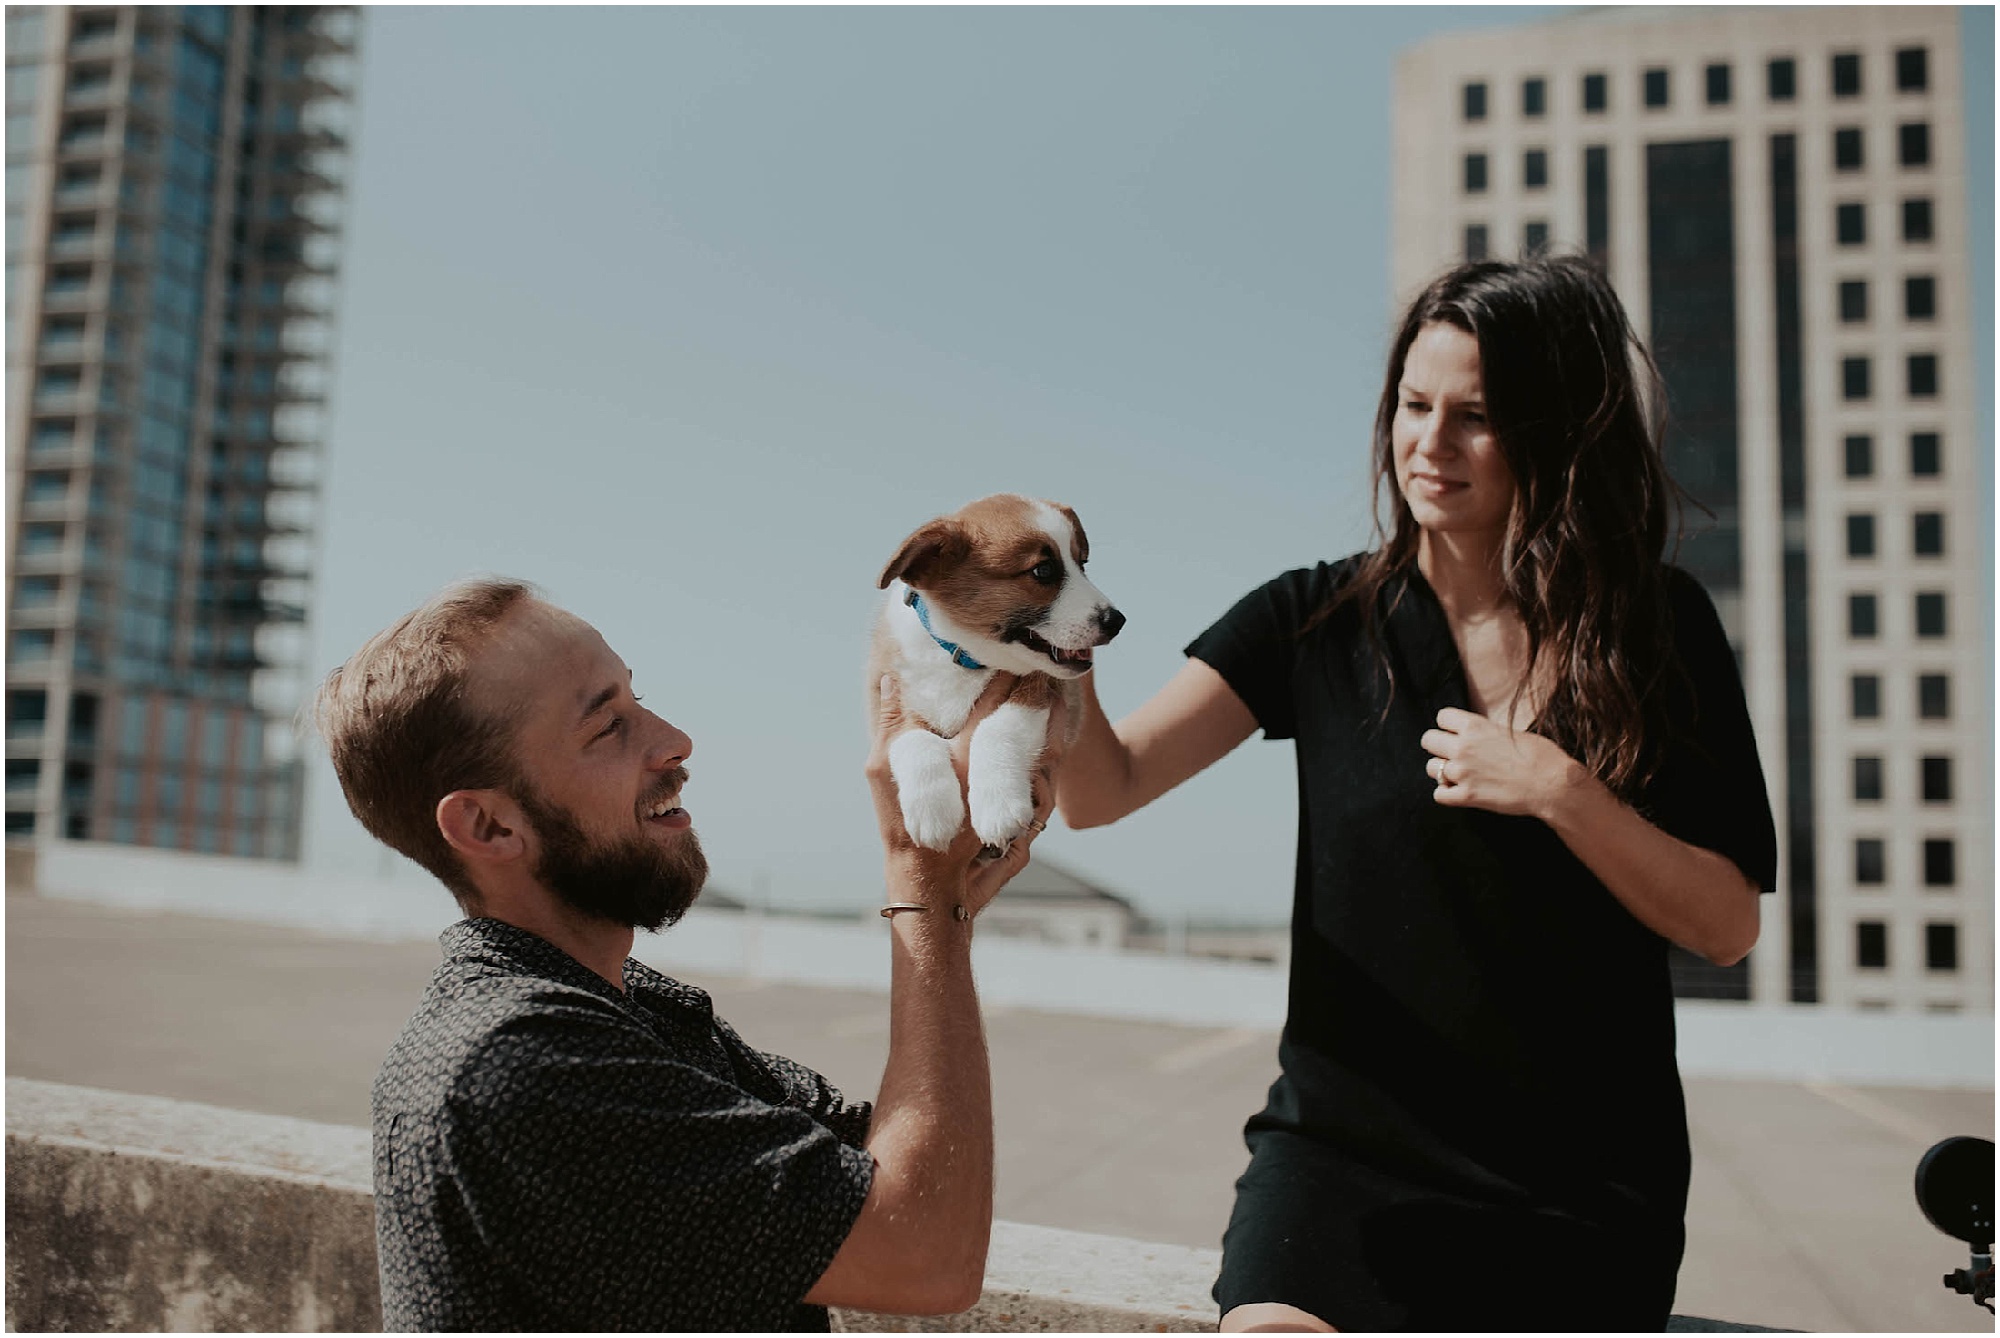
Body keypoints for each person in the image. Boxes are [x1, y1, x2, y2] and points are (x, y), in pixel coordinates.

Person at [1056, 254, 1778, 1332]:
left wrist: (1560, 791)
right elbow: (1101, 791)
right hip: (1339, 1164)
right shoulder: (1311, 620)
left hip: (1577, 1190)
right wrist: (1052, 632)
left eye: (1475, 416)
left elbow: (1724, 923)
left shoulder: (1654, 629)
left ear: (1554, 429)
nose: (1428, 445)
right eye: (1412, 404)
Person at [312, 579, 1059, 1331]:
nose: (673, 741)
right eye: (608, 727)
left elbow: (888, 1169)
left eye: (637, 699)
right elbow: (922, 1251)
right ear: (489, 825)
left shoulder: (625, 1007)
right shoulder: (517, 1065)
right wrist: (929, 897)